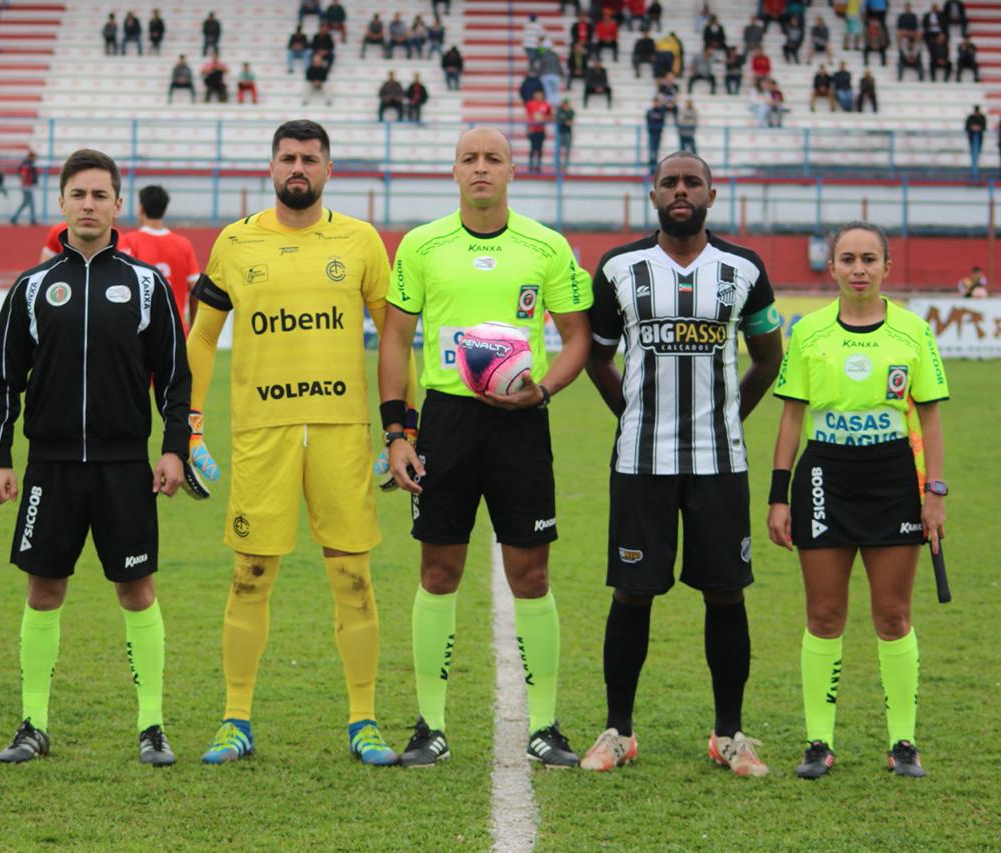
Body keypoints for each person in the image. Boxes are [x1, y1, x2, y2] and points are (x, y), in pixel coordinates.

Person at [187, 120, 406, 766]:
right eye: (288, 157)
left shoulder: (361, 241)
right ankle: (235, 719)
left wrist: (402, 428)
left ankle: (364, 719)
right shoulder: (235, 242)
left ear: (328, 169)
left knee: (353, 577)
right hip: (262, 433)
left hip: (341, 433)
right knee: (249, 575)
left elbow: (392, 337)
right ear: (272, 165)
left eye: (310, 158)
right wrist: (189, 423)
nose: (298, 168)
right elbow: (201, 337)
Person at [378, 126, 592, 769]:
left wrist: (545, 390)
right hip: (445, 422)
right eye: (468, 158)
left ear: (511, 170)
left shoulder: (546, 246)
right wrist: (397, 433)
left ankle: (545, 725)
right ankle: (429, 726)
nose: (480, 169)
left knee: (531, 574)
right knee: (438, 572)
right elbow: (394, 340)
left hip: (521, 422)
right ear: (454, 171)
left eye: (492, 159)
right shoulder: (421, 244)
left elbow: (577, 336)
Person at [580, 151, 783, 778]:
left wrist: (725, 417)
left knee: (726, 594)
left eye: (692, 181)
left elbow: (768, 358)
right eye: (669, 181)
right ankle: (618, 731)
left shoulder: (744, 267)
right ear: (653, 193)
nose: (680, 190)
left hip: (720, 462)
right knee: (632, 594)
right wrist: (633, 411)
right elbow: (597, 356)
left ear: (711, 195)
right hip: (641, 460)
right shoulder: (619, 267)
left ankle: (729, 735)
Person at [0, 149, 190, 767]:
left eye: (101, 195)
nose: (89, 205)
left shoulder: (147, 283)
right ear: (61, 202)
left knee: (137, 589)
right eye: (79, 194)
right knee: (44, 590)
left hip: (125, 464)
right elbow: (3, 380)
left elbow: (176, 378)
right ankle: (33, 723)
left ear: (118, 204)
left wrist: (174, 449)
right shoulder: (32, 286)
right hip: (48, 466)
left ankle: (151, 726)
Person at [767, 220, 949, 780]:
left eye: (870, 259)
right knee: (824, 615)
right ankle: (819, 742)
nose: (859, 269)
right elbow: (792, 416)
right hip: (824, 476)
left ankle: (904, 743)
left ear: (887, 267)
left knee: (893, 616)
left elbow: (930, 415)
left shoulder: (914, 332)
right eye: (848, 259)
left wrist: (934, 492)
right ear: (833, 267)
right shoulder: (808, 333)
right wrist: (779, 496)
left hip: (893, 477)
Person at [119, 185, 202, 332]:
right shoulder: (183, 245)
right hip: (177, 329)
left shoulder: (129, 242)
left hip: (142, 331)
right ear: (164, 210)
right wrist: (193, 326)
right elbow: (195, 289)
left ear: (141, 209)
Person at [525, 90, 553, 172]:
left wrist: (543, 118)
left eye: (540, 94)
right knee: (532, 148)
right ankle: (530, 166)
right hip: (532, 130)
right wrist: (528, 128)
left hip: (541, 130)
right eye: (537, 94)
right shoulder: (530, 104)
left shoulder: (546, 104)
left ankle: (538, 166)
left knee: (540, 149)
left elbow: (551, 116)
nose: (538, 96)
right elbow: (527, 116)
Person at [11, 149, 39, 226]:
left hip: (27, 185)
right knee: (31, 203)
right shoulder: (27, 164)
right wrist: (24, 184)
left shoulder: (28, 163)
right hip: (27, 186)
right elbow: (24, 174)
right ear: (31, 157)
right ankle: (32, 219)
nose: (36, 159)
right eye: (35, 157)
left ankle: (14, 218)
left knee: (25, 203)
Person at [965, 106, 987, 178]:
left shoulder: (982, 117)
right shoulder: (970, 117)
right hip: (972, 138)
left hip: (979, 138)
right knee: (973, 153)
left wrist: (979, 128)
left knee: (977, 153)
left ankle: (975, 172)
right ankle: (974, 172)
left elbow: (984, 127)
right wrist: (972, 128)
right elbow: (967, 127)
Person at [645, 97, 667, 166]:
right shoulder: (650, 111)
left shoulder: (662, 111)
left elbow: (663, 121)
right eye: (655, 102)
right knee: (651, 148)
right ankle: (651, 161)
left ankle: (655, 162)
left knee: (656, 148)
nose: (656, 104)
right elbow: (648, 121)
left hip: (658, 133)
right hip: (652, 133)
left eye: (657, 102)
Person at [557, 98, 575, 171]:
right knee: (559, 150)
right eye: (564, 103)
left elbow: (570, 121)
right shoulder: (560, 111)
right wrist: (566, 122)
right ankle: (559, 166)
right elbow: (561, 120)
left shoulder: (571, 111)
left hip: (568, 132)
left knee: (567, 150)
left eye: (566, 104)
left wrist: (566, 121)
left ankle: (565, 166)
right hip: (560, 132)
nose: (565, 105)